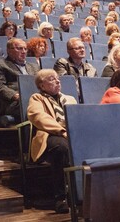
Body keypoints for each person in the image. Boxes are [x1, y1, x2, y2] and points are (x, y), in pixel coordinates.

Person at [27, 69, 77, 214]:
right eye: (51, 79)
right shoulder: (37, 98)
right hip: (49, 135)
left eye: (57, 78)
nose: (57, 81)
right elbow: (39, 117)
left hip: (72, 133)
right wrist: (62, 131)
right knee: (62, 148)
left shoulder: (70, 99)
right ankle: (60, 197)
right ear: (42, 85)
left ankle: (84, 191)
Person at [0, 38, 40, 124]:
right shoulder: (0, 65)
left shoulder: (34, 67)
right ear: (9, 50)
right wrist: (15, 95)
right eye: (20, 48)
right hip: (14, 102)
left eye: (25, 48)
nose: (24, 51)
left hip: (36, 98)